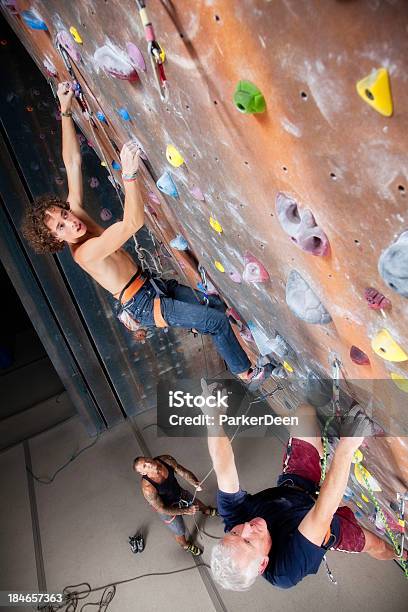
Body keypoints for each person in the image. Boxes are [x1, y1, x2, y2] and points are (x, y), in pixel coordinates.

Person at [22, 81, 270, 388]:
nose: (71, 221)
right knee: (216, 322)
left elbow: (71, 162)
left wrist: (65, 110)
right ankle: (247, 374)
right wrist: (129, 174)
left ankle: (200, 327)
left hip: (149, 285)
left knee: (215, 308)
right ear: (57, 240)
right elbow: (131, 224)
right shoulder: (84, 253)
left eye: (64, 214)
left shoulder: (77, 216)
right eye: (62, 226)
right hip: (142, 303)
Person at [201, 387, 399, 590]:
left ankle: (320, 450)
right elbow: (323, 513)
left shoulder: (235, 519)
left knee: (304, 413)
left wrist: (212, 418)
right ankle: (400, 554)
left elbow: (222, 466)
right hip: (327, 526)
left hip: (294, 489)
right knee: (376, 545)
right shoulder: (286, 570)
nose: (247, 527)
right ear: (263, 564)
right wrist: (346, 448)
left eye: (235, 533)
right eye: (249, 542)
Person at [133, 454, 217, 556]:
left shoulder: (166, 460)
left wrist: (194, 482)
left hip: (179, 494)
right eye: (145, 466)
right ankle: (185, 545)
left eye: (146, 459)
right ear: (143, 472)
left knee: (197, 503)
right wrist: (186, 510)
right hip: (167, 508)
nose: (149, 463)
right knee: (179, 531)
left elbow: (183, 472)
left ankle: (206, 510)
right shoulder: (147, 487)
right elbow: (161, 508)